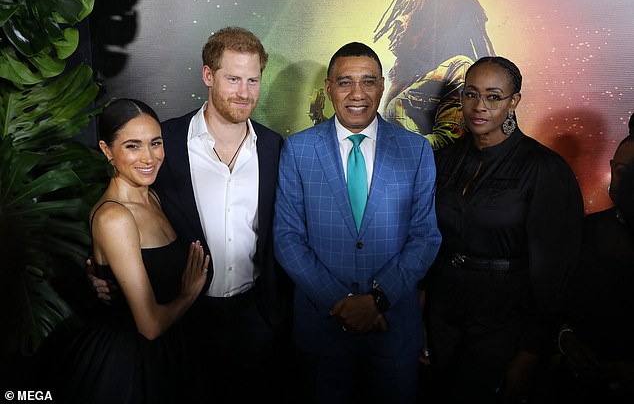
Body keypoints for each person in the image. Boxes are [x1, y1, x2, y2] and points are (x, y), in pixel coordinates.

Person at [90, 27, 292, 403]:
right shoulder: (162, 143)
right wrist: (101, 269)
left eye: (253, 80)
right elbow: (124, 214)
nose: (244, 92)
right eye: (233, 79)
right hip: (187, 321)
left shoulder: (275, 146)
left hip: (257, 316)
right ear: (208, 76)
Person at [273, 41, 441, 403]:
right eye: (345, 82)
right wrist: (344, 303)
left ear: (381, 86)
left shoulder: (416, 150)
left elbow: (426, 236)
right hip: (322, 327)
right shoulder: (298, 150)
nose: (357, 93)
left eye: (368, 81)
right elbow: (287, 238)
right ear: (329, 88)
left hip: (393, 329)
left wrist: (377, 300)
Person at [424, 56, 584, 403]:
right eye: (470, 94)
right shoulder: (443, 161)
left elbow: (554, 271)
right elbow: (429, 241)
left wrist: (530, 352)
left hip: (505, 322)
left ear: (514, 101)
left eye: (494, 97)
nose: (479, 106)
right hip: (443, 316)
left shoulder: (544, 169)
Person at [60, 98, 210, 404]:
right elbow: (150, 326)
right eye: (132, 146)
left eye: (155, 143)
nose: (149, 157)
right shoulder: (114, 217)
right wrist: (189, 293)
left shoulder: (153, 196)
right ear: (106, 151)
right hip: (130, 368)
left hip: (173, 353)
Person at [555, 133, 634, 403]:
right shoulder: (586, 229)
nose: (628, 183)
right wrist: (566, 338)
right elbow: (560, 299)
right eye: (622, 171)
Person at [373, 0, 496, 150]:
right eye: (405, 8)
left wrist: (397, 146)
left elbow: (447, 140)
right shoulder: (406, 74)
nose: (400, 19)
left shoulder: (458, 68)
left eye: (413, 9)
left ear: (437, 21)